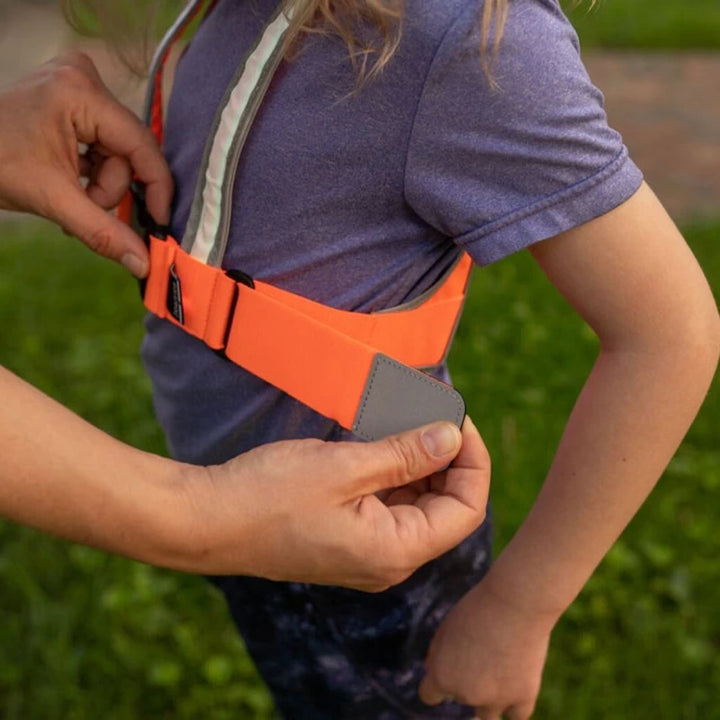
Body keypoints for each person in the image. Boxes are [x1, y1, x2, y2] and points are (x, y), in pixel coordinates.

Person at [65, 0, 720, 718]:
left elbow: (671, 333)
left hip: (369, 550)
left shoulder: (469, 44)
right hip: (247, 513)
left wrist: (517, 610)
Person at [0, 54, 492, 589]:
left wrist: (520, 610)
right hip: (280, 516)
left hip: (380, 514)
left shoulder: (475, 48)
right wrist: (202, 516)